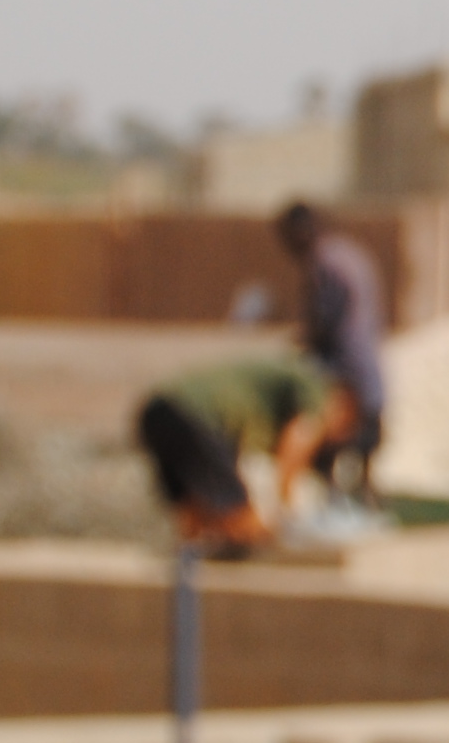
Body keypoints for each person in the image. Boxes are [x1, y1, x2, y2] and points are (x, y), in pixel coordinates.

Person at [132, 353, 352, 558]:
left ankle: (191, 578)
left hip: (157, 412)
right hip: (190, 414)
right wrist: (284, 507)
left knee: (195, 520)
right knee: (246, 523)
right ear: (344, 406)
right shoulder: (316, 388)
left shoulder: (265, 408)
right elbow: (299, 439)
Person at [276, 202, 388, 498]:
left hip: (345, 372)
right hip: (368, 368)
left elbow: (326, 322)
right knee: (363, 451)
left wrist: (303, 345)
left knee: (330, 446)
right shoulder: (350, 253)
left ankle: (337, 505)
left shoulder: (324, 263)